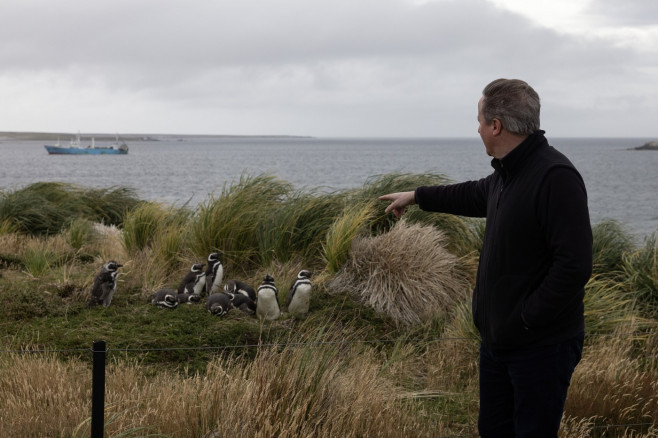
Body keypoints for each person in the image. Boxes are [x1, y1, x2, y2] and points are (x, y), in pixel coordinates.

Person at [379, 78, 592, 437]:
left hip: (540, 347)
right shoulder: (508, 174)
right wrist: (416, 195)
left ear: (496, 126)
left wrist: (526, 319)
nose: (477, 129)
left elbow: (574, 265)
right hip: (499, 342)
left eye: (479, 121)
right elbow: (473, 194)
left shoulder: (555, 177)